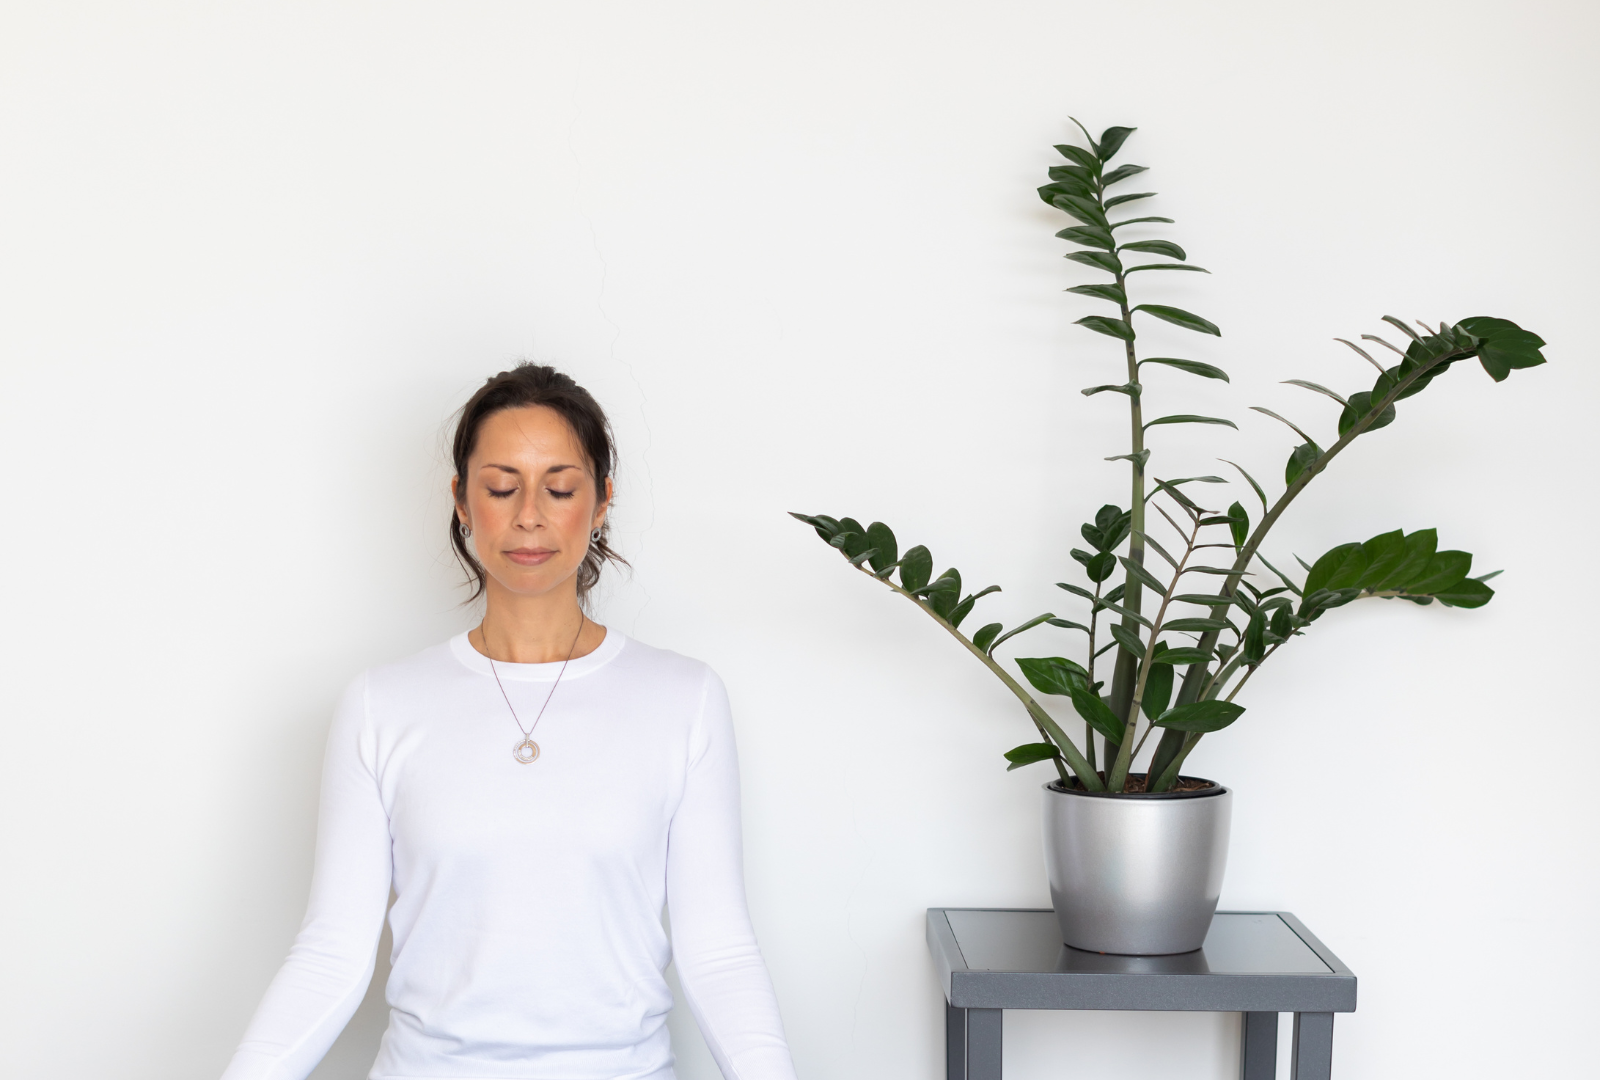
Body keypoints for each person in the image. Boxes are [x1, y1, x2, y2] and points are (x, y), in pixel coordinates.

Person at [221, 364, 799, 1080]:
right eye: (501, 487)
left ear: (602, 501)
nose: (530, 514)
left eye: (560, 488)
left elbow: (720, 952)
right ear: (462, 501)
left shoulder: (684, 699)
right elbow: (331, 952)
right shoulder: (381, 705)